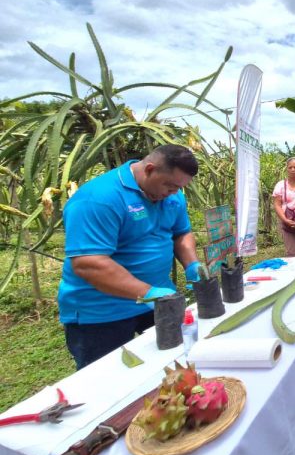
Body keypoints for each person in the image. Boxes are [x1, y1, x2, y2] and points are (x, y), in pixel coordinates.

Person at [58, 145, 202, 369]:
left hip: (159, 302)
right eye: (170, 185)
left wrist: (192, 264)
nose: (173, 192)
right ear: (150, 169)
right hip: (102, 313)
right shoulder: (98, 199)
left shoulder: (173, 196)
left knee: (169, 366)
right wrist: (146, 293)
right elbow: (88, 263)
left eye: (179, 188)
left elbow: (181, 233)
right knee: (110, 378)